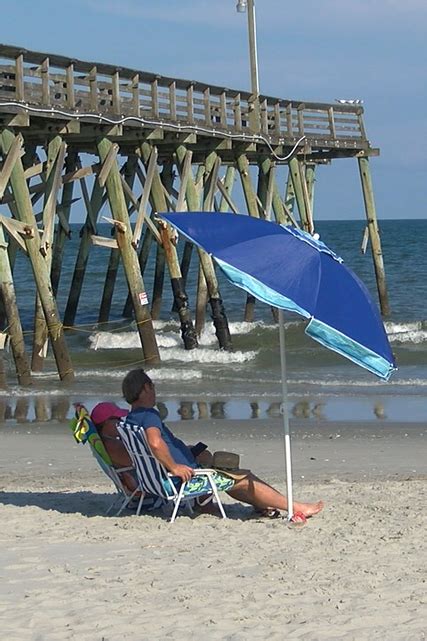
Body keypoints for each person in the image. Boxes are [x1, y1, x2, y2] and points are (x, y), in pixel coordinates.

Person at [121, 368, 324, 519]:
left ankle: (248, 503)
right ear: (145, 388)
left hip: (158, 479)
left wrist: (183, 453)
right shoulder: (148, 416)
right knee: (244, 477)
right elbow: (155, 443)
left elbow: (153, 447)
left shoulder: (132, 418)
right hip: (184, 479)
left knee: (214, 459)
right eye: (153, 387)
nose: (155, 391)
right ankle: (295, 506)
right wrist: (174, 467)